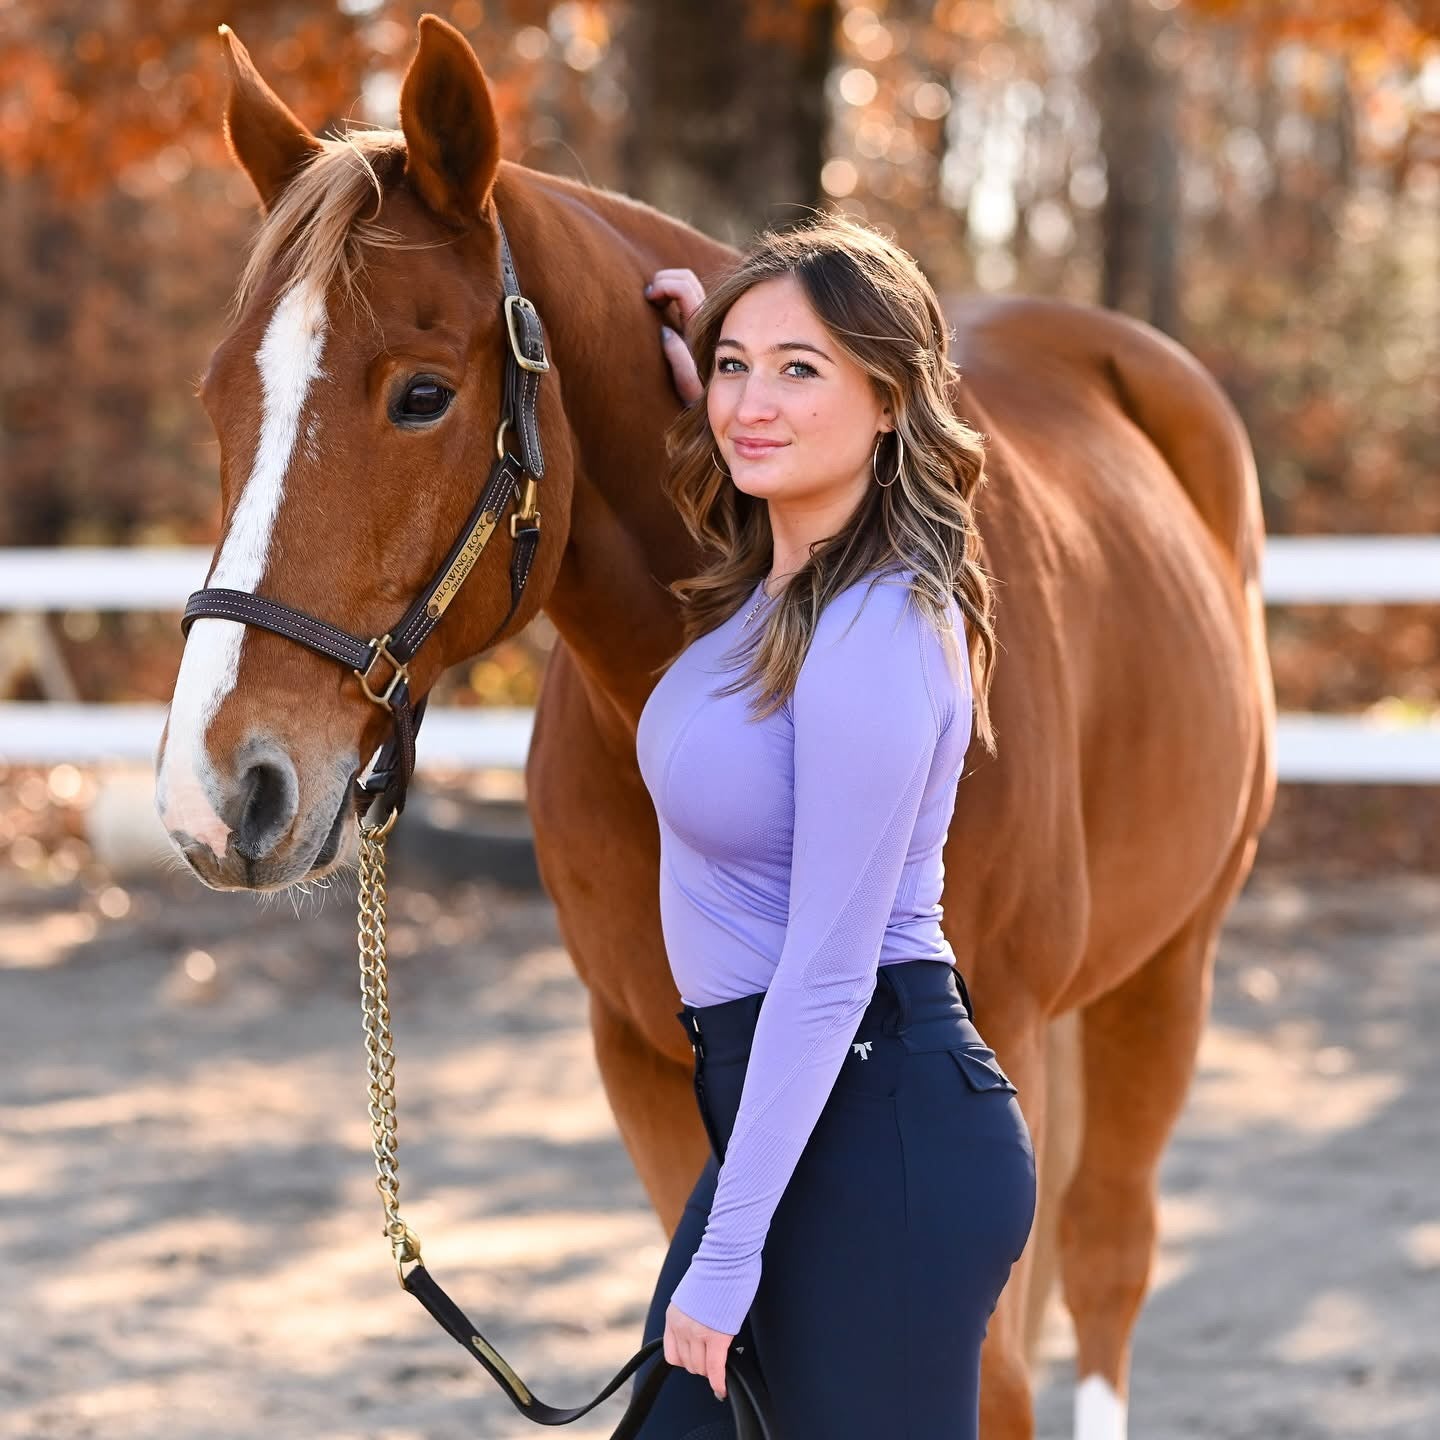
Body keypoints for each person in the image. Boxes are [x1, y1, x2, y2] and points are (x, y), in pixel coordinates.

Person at [631, 214, 1036, 1440]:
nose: (754, 401)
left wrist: (727, 1250)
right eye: (738, 364)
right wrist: (695, 364)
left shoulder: (878, 633)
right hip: (802, 1115)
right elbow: (754, 434)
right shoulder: (784, 590)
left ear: (891, 402)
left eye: (800, 370)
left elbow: (827, 973)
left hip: (881, 1126)